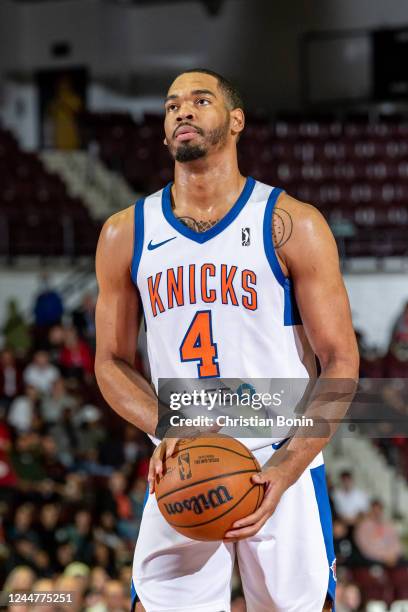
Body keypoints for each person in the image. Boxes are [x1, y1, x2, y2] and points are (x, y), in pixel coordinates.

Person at [95, 69, 359, 612]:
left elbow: (340, 360)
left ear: (235, 121)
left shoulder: (293, 223)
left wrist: (289, 467)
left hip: (279, 457)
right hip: (185, 462)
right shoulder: (126, 232)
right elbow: (111, 363)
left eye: (199, 100)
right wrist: (164, 424)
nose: (182, 112)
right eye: (171, 106)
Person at [354, 499, 403, 567]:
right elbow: (365, 548)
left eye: (379, 510)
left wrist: (393, 555)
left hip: (391, 557)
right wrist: (384, 556)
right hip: (374, 558)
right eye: (374, 510)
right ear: (370, 510)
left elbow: (396, 543)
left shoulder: (388, 525)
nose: (377, 512)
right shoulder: (363, 526)